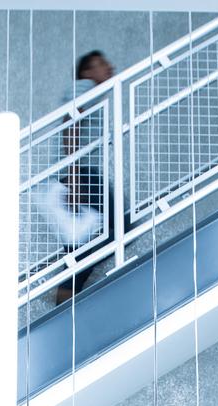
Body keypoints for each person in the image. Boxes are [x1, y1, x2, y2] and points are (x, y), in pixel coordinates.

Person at [53, 51, 127, 305]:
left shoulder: (92, 94)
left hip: (79, 173)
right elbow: (70, 125)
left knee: (80, 248)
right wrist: (74, 179)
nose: (110, 66)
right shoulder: (83, 87)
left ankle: (63, 304)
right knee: (122, 225)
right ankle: (66, 296)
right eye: (102, 63)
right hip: (81, 174)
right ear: (86, 72)